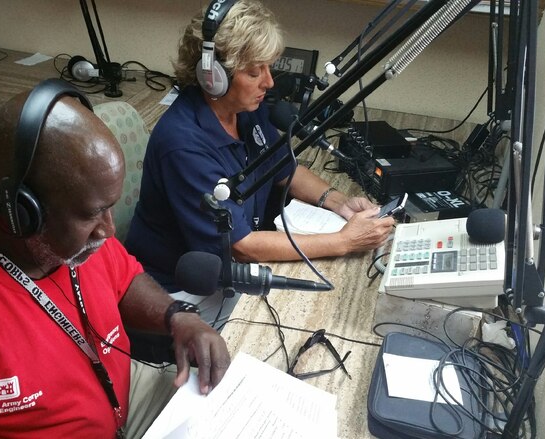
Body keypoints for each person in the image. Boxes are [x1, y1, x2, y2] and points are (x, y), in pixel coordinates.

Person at [0, 79, 230, 438]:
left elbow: (124, 279)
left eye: (109, 209)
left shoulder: (77, 232)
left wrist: (177, 316)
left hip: (125, 396)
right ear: (19, 210)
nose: (109, 230)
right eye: (92, 214)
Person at [125, 0, 395, 326]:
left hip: (232, 271)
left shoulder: (246, 112)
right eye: (255, 72)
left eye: (268, 68)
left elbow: (285, 170)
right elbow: (242, 247)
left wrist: (340, 204)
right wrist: (344, 241)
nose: (269, 83)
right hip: (180, 292)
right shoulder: (184, 145)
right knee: (303, 319)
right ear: (212, 77)